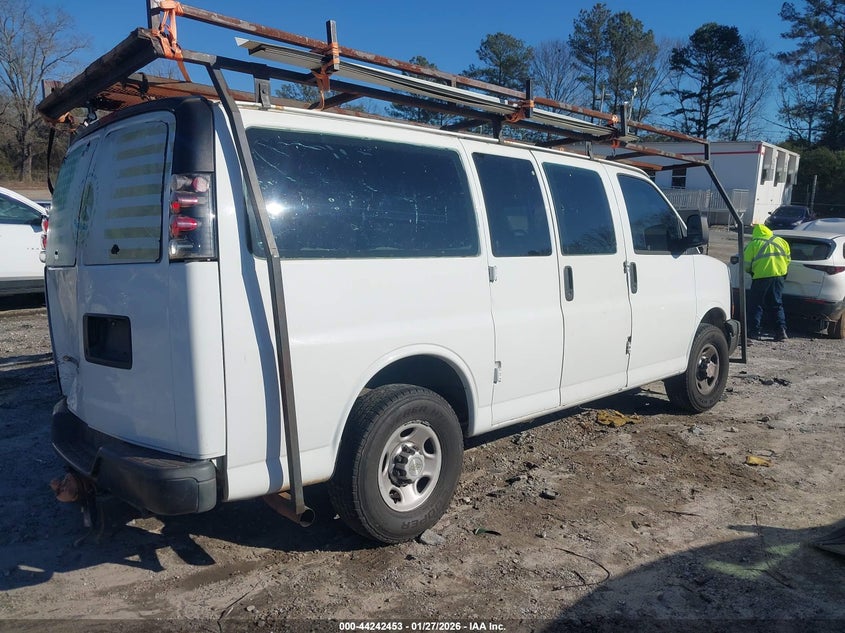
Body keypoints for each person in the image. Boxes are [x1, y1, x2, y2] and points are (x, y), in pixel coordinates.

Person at [743, 223, 791, 341]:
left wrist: (751, 272)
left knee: (756, 304)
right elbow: (788, 259)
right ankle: (781, 331)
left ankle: (754, 331)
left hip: (761, 277)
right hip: (779, 276)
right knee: (776, 303)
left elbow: (746, 264)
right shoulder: (781, 241)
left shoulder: (754, 244)